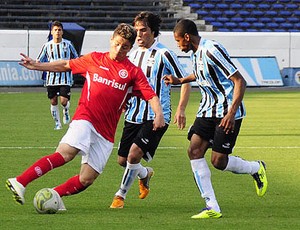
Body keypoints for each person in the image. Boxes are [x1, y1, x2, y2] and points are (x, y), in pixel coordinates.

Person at [6, 23, 165, 211]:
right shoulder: (94, 59)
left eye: (124, 47)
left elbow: (151, 95)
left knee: (86, 179)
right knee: (65, 154)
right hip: (85, 118)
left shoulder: (132, 72)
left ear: (130, 48)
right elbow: (66, 64)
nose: (119, 49)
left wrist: (159, 114)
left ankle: (54, 194)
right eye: (117, 44)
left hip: (105, 133)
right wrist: (37, 65)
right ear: (111, 40)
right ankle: (20, 182)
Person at [164, 19, 268, 219]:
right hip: (207, 111)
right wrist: (180, 80)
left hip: (226, 113)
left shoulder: (212, 50)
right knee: (194, 151)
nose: (178, 46)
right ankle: (212, 206)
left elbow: (239, 80)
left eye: (178, 41)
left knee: (219, 161)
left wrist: (231, 113)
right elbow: (201, 73)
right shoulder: (195, 53)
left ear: (187, 37)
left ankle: (256, 168)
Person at [109, 12, 191, 209]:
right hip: (133, 114)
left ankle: (120, 196)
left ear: (153, 32)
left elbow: (184, 80)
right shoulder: (132, 53)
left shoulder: (164, 54)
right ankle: (145, 174)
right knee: (123, 160)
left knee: (134, 155)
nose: (138, 35)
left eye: (143, 30)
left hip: (156, 115)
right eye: (136, 30)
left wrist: (180, 108)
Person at [37, 20, 78, 130]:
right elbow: (39, 60)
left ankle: (66, 110)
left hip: (66, 78)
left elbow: (76, 57)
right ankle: (57, 123)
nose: (57, 32)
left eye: (59, 30)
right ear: (51, 32)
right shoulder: (47, 46)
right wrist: (32, 64)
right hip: (51, 79)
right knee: (53, 101)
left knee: (63, 101)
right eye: (55, 30)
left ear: (62, 32)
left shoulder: (68, 44)